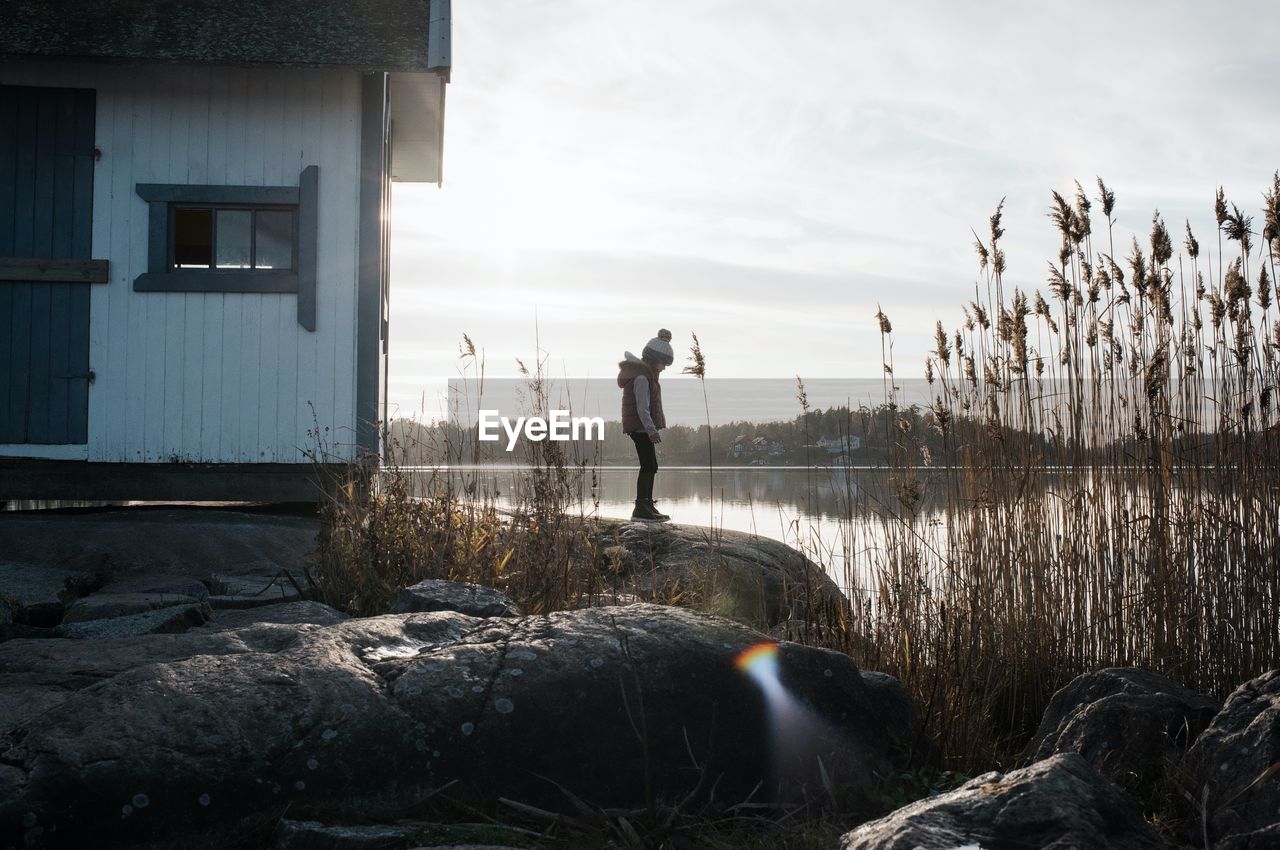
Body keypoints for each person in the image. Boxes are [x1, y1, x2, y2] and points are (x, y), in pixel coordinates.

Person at [617, 329, 674, 522]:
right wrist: (651, 430)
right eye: (663, 363)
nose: (664, 368)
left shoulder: (647, 376)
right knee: (648, 466)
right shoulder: (642, 378)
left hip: (643, 427)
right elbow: (642, 408)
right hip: (640, 427)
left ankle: (647, 505)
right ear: (653, 359)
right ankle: (641, 508)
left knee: (652, 466)